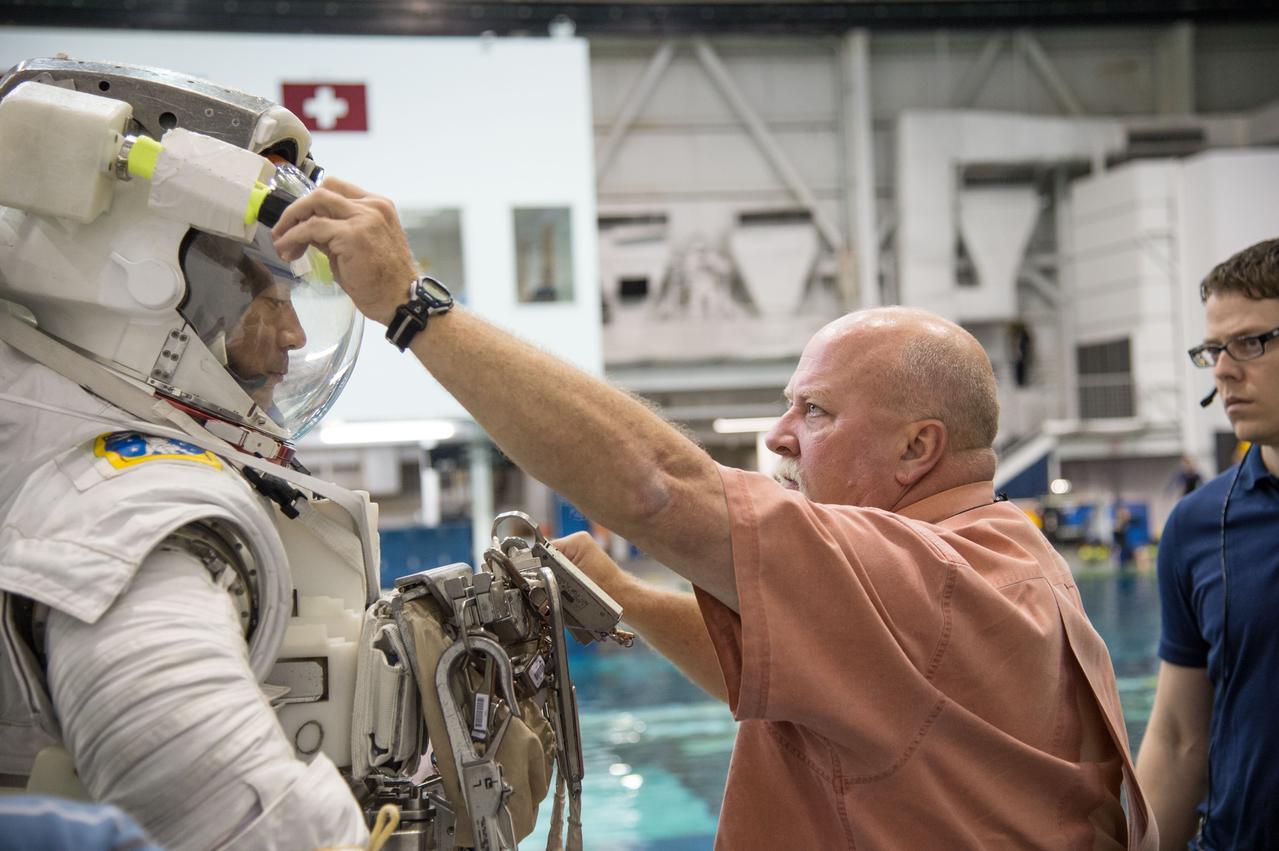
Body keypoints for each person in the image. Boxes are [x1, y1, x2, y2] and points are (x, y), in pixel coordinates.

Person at [272, 178, 1158, 849]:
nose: (778, 436)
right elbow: (804, 678)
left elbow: (660, 487)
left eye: (813, 412)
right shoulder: (1003, 553)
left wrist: (411, 305)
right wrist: (622, 596)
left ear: (917, 449)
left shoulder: (922, 575)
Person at [0, 58, 371, 849]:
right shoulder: (125, 504)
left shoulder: (78, 448)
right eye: (264, 295)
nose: (295, 334)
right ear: (143, 284)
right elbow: (237, 817)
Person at [1136, 238, 1279, 850]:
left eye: (1250, 343)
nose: (1222, 369)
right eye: (1213, 350)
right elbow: (1176, 737)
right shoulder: (1199, 525)